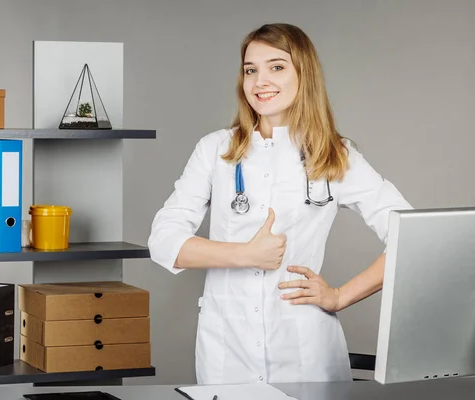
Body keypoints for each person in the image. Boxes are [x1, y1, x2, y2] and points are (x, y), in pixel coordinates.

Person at [147, 23, 412, 385]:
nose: (260, 82)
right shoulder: (216, 150)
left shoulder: (335, 154)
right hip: (229, 347)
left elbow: (411, 238)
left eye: (276, 66)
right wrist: (245, 254)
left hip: (306, 350)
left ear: (305, 74)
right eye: (250, 70)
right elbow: (163, 242)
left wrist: (339, 297)